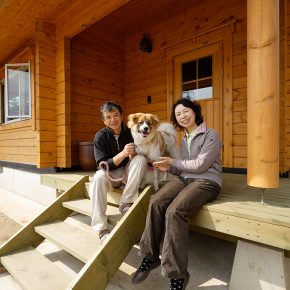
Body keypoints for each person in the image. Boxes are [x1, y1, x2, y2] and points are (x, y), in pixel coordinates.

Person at [131, 98, 222, 290]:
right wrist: (168, 166)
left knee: (175, 211)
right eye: (178, 114)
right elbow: (183, 170)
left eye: (186, 111)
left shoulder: (211, 134)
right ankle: (150, 257)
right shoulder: (185, 140)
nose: (182, 116)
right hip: (186, 179)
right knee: (156, 200)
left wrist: (172, 162)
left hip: (207, 181)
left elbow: (200, 165)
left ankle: (177, 275)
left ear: (195, 112)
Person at [89, 101, 147, 242]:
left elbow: (143, 149)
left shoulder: (131, 131)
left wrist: (135, 154)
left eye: (116, 115)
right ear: (103, 120)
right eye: (108, 117)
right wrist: (122, 154)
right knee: (97, 177)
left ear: (122, 116)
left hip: (127, 173)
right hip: (110, 174)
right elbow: (102, 166)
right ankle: (101, 228)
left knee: (140, 159)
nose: (113, 120)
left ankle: (126, 202)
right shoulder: (100, 136)